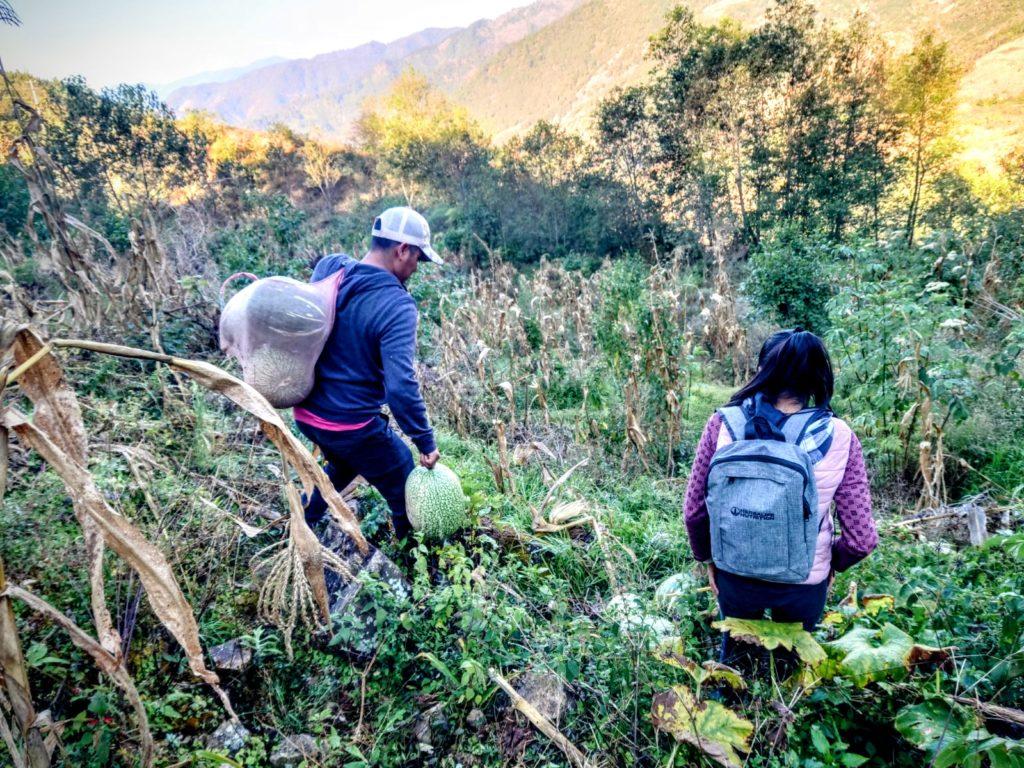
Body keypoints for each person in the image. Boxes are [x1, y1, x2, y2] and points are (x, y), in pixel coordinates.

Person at [683, 328, 878, 669]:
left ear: (762, 370)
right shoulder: (841, 436)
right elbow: (861, 539)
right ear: (817, 377)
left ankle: (730, 700)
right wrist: (832, 565)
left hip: (735, 574)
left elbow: (694, 512)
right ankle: (784, 717)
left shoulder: (722, 423)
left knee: (734, 667)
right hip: (803, 581)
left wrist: (709, 559)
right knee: (791, 671)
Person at [295, 206, 443, 543]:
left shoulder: (331, 268)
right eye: (418, 257)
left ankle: (304, 521)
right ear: (402, 249)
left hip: (306, 412)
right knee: (402, 472)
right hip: (348, 424)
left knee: (346, 464)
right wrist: (425, 440)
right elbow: (401, 388)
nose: (417, 267)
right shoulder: (397, 305)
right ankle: (414, 557)